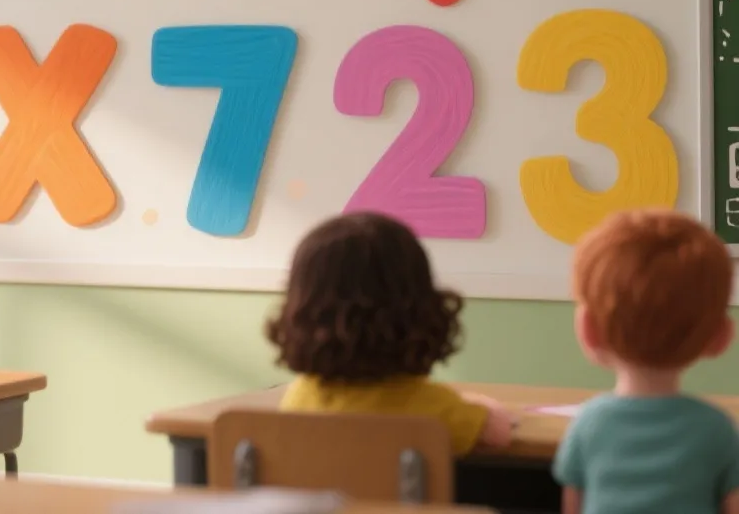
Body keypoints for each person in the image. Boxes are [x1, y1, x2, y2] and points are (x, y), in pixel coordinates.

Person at [267, 211, 513, 455]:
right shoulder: (430, 407)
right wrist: (482, 405)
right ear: (420, 310)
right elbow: (499, 433)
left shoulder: (298, 399)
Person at [554, 209, 739, 514]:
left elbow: (573, 508)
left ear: (588, 330)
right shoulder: (717, 430)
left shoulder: (588, 425)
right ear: (719, 336)